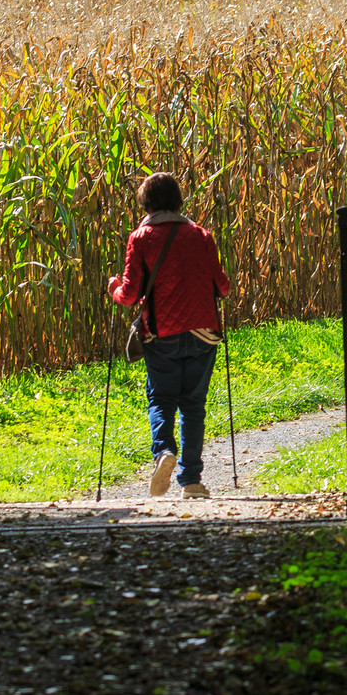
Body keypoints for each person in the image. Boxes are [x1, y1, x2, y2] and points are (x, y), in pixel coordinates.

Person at [108, 172, 231, 498]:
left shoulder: (141, 237)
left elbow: (131, 294)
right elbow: (224, 287)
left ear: (146, 203)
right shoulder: (202, 236)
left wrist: (113, 288)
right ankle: (191, 481)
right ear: (179, 201)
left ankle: (163, 452)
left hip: (161, 335)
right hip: (204, 333)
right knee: (193, 406)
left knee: (161, 399)